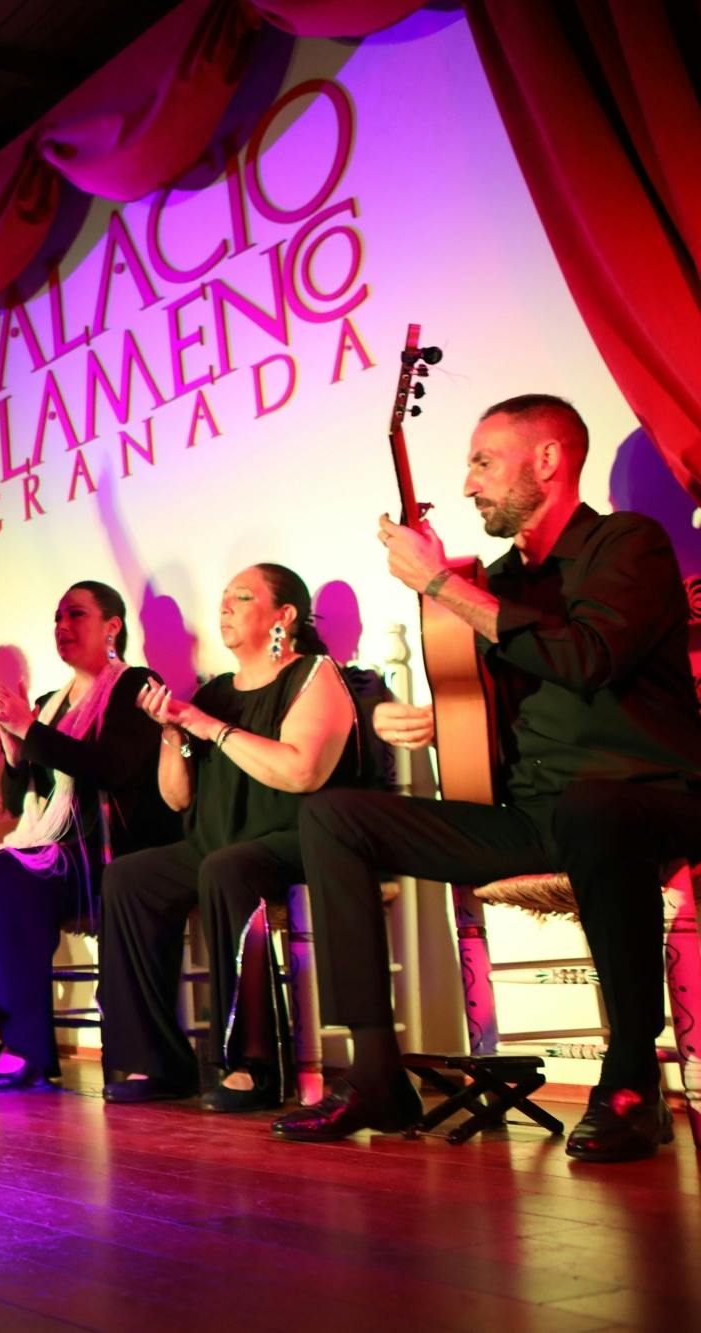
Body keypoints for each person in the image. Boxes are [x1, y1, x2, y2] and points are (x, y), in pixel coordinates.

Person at [278, 395, 701, 1160]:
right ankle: (374, 1071)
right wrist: (437, 719)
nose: (469, 485)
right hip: (535, 813)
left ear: (547, 460)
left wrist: (441, 585)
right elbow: (501, 704)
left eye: (482, 462)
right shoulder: (495, 581)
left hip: (649, 797)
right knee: (333, 816)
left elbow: (587, 658)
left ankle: (632, 1075)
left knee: (593, 809)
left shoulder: (626, 544)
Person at [97, 564, 362, 1111]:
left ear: (284, 615)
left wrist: (207, 726)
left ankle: (254, 1064)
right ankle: (158, 1062)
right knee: (129, 876)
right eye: (222, 598)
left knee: (228, 867)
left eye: (241, 597)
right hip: (218, 841)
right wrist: (174, 731)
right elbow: (177, 799)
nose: (225, 607)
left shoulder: (314, 674)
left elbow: (301, 773)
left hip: (297, 841)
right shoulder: (213, 693)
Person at [0, 582, 179, 1092]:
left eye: (76, 615)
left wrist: (30, 729)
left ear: (112, 627)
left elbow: (113, 769)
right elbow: (20, 804)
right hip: (48, 847)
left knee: (6, 873)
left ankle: (25, 1048)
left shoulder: (135, 686)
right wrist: (16, 748)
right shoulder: (49, 703)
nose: (62, 626)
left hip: (99, 852)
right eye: (57, 617)